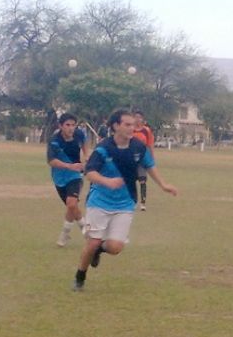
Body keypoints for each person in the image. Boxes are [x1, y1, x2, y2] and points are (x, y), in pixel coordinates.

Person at [72, 109, 178, 292]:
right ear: (116, 126)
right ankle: (80, 276)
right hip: (99, 202)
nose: (132, 128)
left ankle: (99, 250)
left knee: (115, 248)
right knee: (92, 242)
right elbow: (90, 172)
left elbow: (150, 165)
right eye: (127, 125)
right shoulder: (104, 148)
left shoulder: (138, 147)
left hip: (125, 203)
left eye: (133, 125)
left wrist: (163, 185)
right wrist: (107, 181)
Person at [47, 113, 89, 247]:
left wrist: (86, 156)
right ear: (60, 126)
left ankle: (83, 232)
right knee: (72, 207)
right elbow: (51, 161)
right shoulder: (55, 140)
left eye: (73, 125)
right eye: (67, 125)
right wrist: (69, 166)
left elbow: (85, 142)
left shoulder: (79, 134)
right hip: (59, 178)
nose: (71, 128)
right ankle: (69, 232)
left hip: (75, 175)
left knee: (71, 203)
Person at [131, 110, 155, 211]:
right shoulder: (130, 129)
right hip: (131, 159)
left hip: (142, 159)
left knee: (142, 180)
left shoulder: (146, 130)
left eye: (139, 117)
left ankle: (143, 203)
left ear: (142, 119)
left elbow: (150, 145)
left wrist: (151, 157)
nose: (137, 119)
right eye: (136, 117)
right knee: (131, 181)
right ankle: (133, 201)